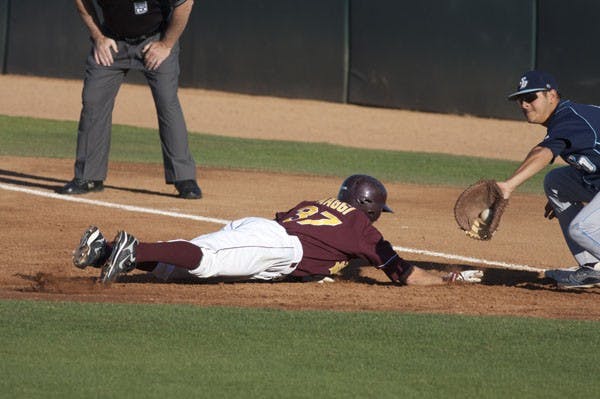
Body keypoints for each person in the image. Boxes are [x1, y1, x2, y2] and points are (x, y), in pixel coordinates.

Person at [72, 174, 483, 285]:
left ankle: (103, 250)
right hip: (278, 247)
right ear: (369, 207)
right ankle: (132, 247)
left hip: (267, 235)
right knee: (208, 260)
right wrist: (447, 278)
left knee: (180, 269)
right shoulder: (363, 229)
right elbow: (406, 275)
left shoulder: (315, 203)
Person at [59, 0, 201, 199]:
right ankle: (88, 177)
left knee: (167, 102)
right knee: (93, 101)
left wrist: (166, 44)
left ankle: (184, 178)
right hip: (112, 41)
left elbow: (185, 4)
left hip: (155, 40)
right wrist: (98, 36)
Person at [497, 70, 600, 288]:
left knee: (581, 228)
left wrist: (508, 185)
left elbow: (542, 153)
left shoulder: (571, 119)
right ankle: (593, 268)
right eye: (520, 99)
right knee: (556, 182)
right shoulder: (566, 118)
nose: (524, 105)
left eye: (531, 98)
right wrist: (566, 195)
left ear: (551, 96)